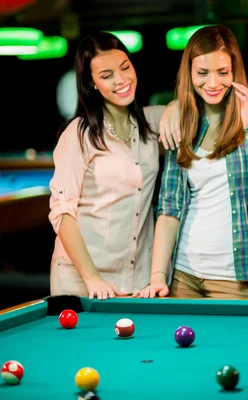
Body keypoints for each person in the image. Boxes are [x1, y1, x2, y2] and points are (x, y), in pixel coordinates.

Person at [132, 25, 248, 299]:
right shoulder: (182, 121)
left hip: (236, 279)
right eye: (202, 73)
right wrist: (158, 277)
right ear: (189, 74)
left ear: (235, 71)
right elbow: (170, 207)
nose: (212, 83)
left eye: (222, 72)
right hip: (182, 276)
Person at [48, 32, 168, 299]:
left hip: (138, 281)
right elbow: (61, 213)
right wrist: (92, 278)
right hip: (81, 281)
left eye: (125, 68)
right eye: (107, 75)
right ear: (92, 83)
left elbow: (191, 111)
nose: (121, 80)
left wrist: (174, 111)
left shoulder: (151, 123)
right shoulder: (78, 134)